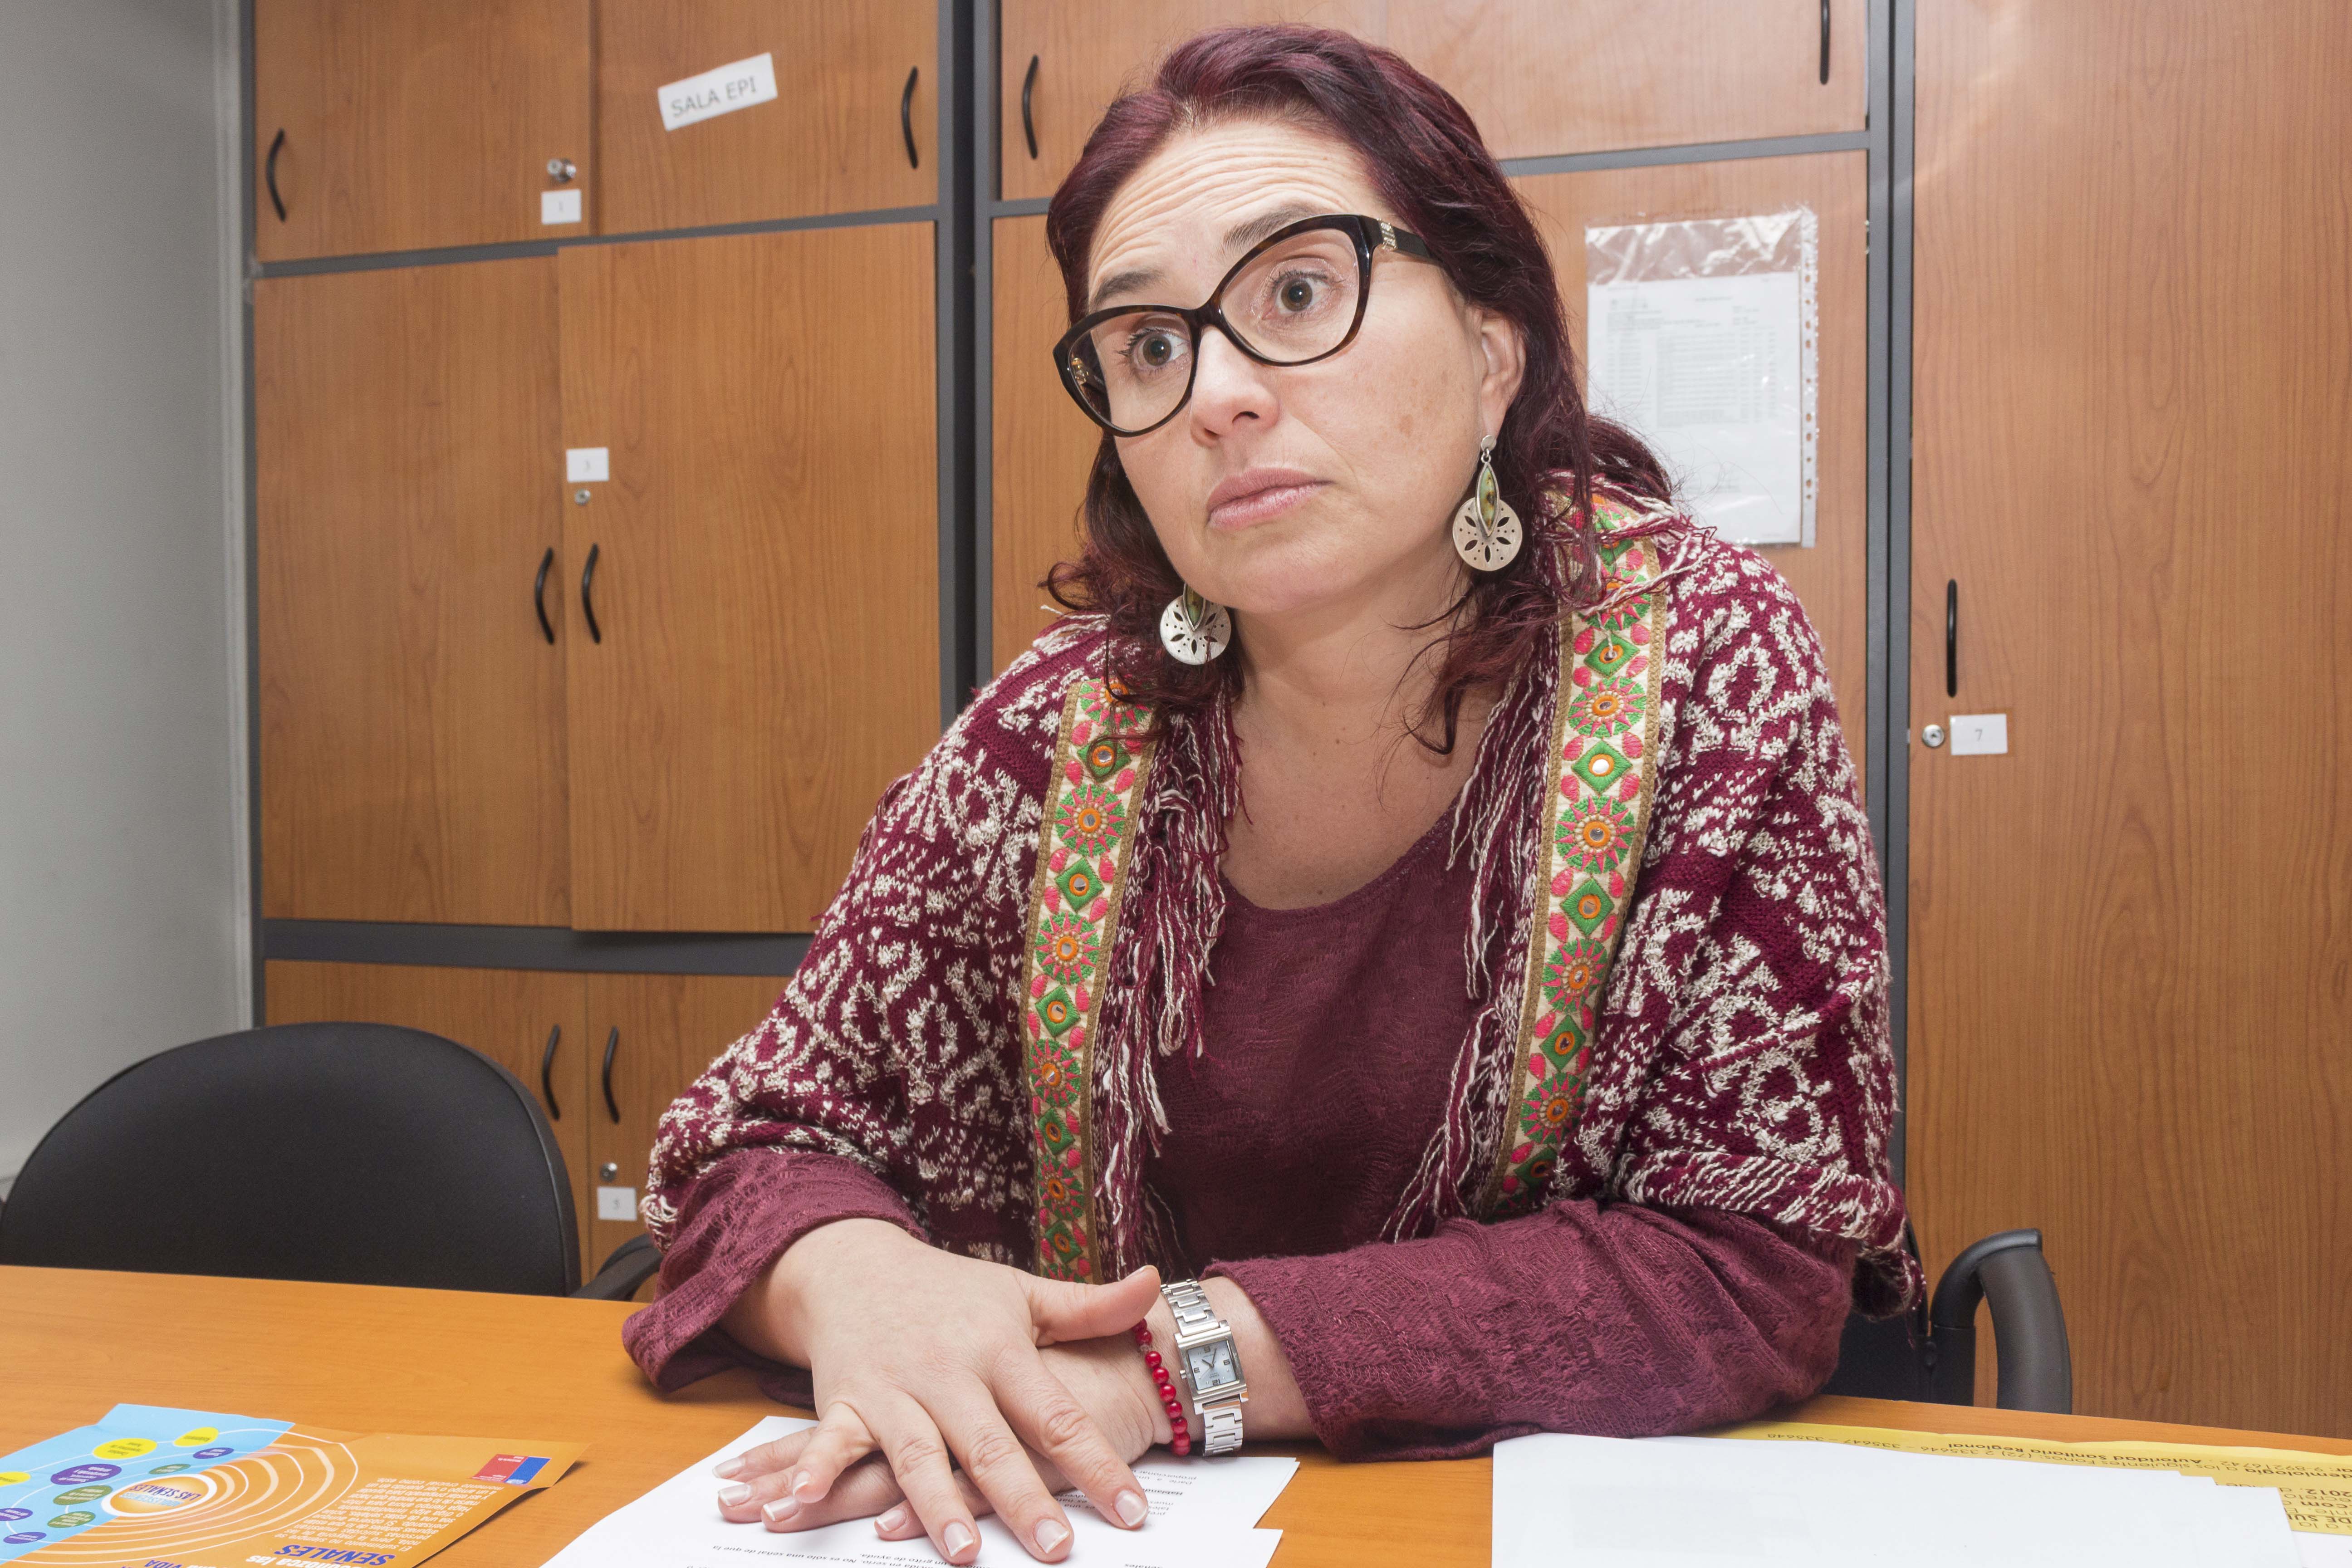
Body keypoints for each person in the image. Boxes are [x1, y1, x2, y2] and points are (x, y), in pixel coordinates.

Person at [622, 24, 1911, 1567]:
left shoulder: (1704, 661)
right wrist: (859, 1281)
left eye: (1297, 293)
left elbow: (1749, 1259)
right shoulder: (1055, 732)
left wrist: (1167, 1368)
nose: (1217, 396)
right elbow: (750, 1140)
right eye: (1148, 348)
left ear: (1493, 344)